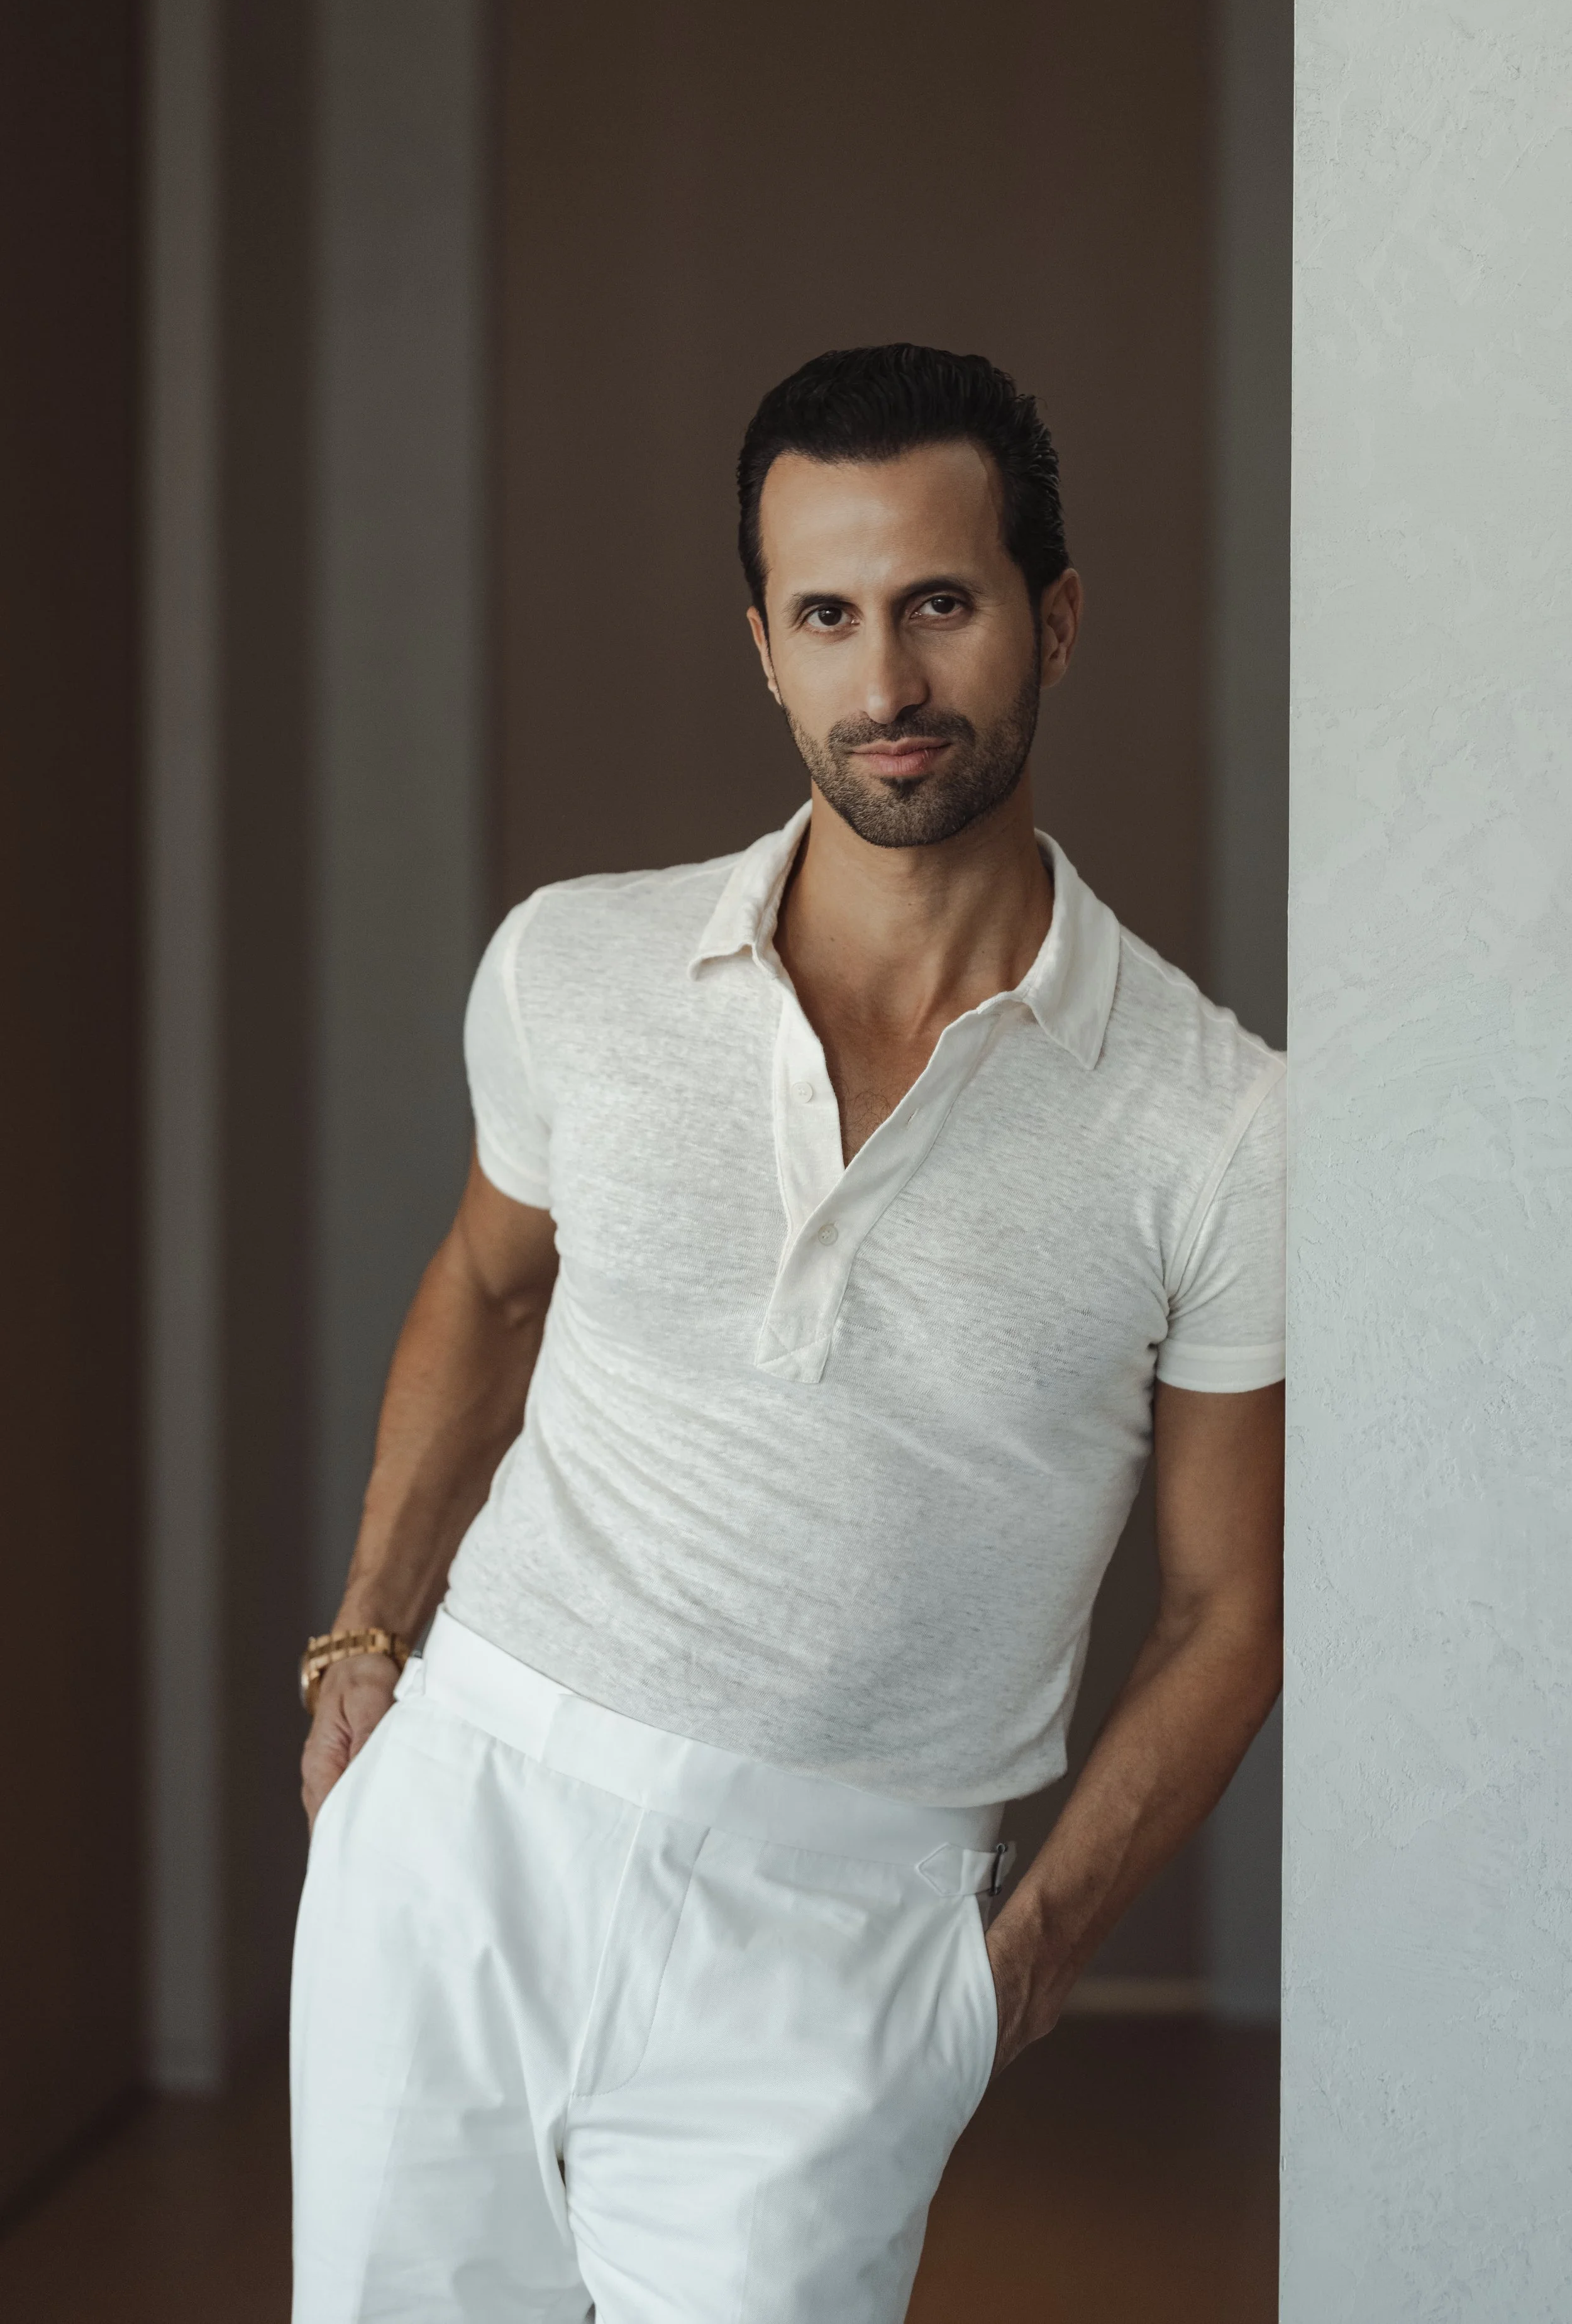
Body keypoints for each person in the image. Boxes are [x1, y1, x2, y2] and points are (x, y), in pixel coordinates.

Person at [291, 343, 1285, 2324]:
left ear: (1052, 617)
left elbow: (1226, 1613)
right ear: (763, 645)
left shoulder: (1223, 1122)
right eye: (826, 615)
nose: (886, 683)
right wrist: (358, 1645)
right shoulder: (572, 959)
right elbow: (489, 1288)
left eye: (939, 602)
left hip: (838, 1932)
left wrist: (1008, 1971)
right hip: (461, 1834)